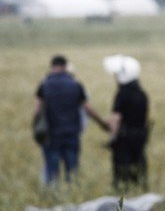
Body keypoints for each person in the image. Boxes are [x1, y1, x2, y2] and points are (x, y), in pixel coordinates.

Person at [33, 55, 109, 185]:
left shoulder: (44, 85)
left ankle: (53, 198)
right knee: (72, 171)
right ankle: (72, 197)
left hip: (51, 134)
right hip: (71, 133)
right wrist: (102, 123)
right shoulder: (75, 84)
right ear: (65, 66)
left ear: (52, 66)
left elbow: (37, 110)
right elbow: (87, 108)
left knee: (52, 171)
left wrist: (36, 127)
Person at [103, 55, 149, 190]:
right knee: (138, 165)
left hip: (124, 138)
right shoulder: (142, 93)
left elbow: (117, 117)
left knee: (122, 169)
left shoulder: (122, 94)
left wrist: (112, 136)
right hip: (140, 136)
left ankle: (124, 193)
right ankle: (140, 190)